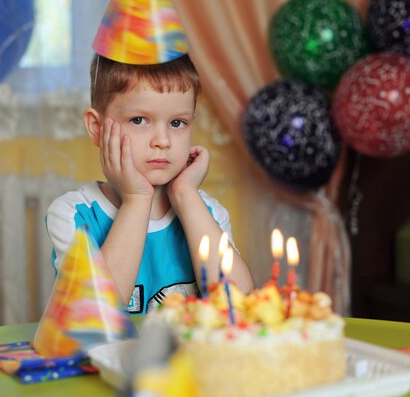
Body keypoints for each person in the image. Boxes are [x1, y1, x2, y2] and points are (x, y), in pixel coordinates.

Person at [46, 53, 254, 314]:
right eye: (139, 120)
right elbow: (96, 316)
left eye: (177, 123)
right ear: (97, 128)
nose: (163, 140)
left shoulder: (206, 212)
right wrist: (136, 198)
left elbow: (241, 304)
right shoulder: (74, 215)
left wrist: (186, 195)